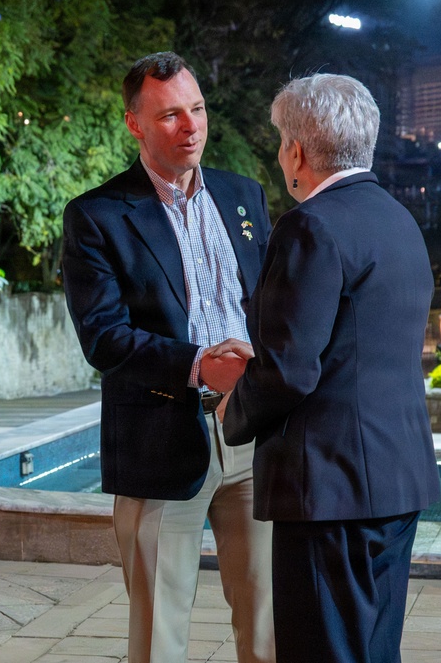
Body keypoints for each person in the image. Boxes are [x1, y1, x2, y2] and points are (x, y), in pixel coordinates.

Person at [219, 73, 441, 663]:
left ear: (297, 152)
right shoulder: (399, 220)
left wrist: (233, 407)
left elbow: (290, 371)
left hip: (329, 490)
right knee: (374, 651)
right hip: (395, 478)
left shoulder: (310, 225)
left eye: (280, 143)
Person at [61, 51, 274, 663]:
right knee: (159, 637)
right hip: (159, 439)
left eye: (198, 109)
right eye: (170, 115)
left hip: (252, 434)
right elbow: (103, 337)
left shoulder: (243, 195)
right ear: (134, 123)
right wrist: (199, 364)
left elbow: (268, 303)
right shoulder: (97, 215)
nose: (191, 127)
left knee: (268, 626)